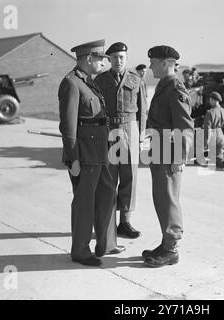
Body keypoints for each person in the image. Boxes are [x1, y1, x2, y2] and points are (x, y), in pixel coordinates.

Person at [58, 39, 122, 267]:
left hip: (101, 151)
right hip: (84, 155)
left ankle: (106, 244)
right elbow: (68, 126)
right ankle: (80, 251)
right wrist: (73, 158)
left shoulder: (89, 82)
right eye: (100, 59)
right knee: (84, 202)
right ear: (88, 59)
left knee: (107, 195)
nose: (103, 63)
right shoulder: (72, 83)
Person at [142, 45, 194, 267]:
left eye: (153, 61)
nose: (151, 65)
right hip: (159, 150)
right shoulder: (165, 85)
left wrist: (178, 160)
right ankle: (166, 243)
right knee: (161, 199)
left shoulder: (175, 88)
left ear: (166, 63)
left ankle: (171, 249)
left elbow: (185, 128)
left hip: (169, 153)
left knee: (169, 200)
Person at [95, 42, 147, 242]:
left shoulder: (136, 79)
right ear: (109, 60)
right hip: (109, 130)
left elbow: (143, 109)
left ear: (127, 58)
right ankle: (108, 223)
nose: (118, 61)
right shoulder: (100, 80)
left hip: (130, 130)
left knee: (129, 177)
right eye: (115, 57)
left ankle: (125, 222)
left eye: (122, 57)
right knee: (109, 177)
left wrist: (142, 135)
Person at [203, 91, 224, 171]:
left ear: (214, 100)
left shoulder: (210, 113)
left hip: (214, 138)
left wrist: (206, 143)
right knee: (217, 157)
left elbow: (208, 130)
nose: (209, 101)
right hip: (222, 137)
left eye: (210, 99)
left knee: (215, 160)